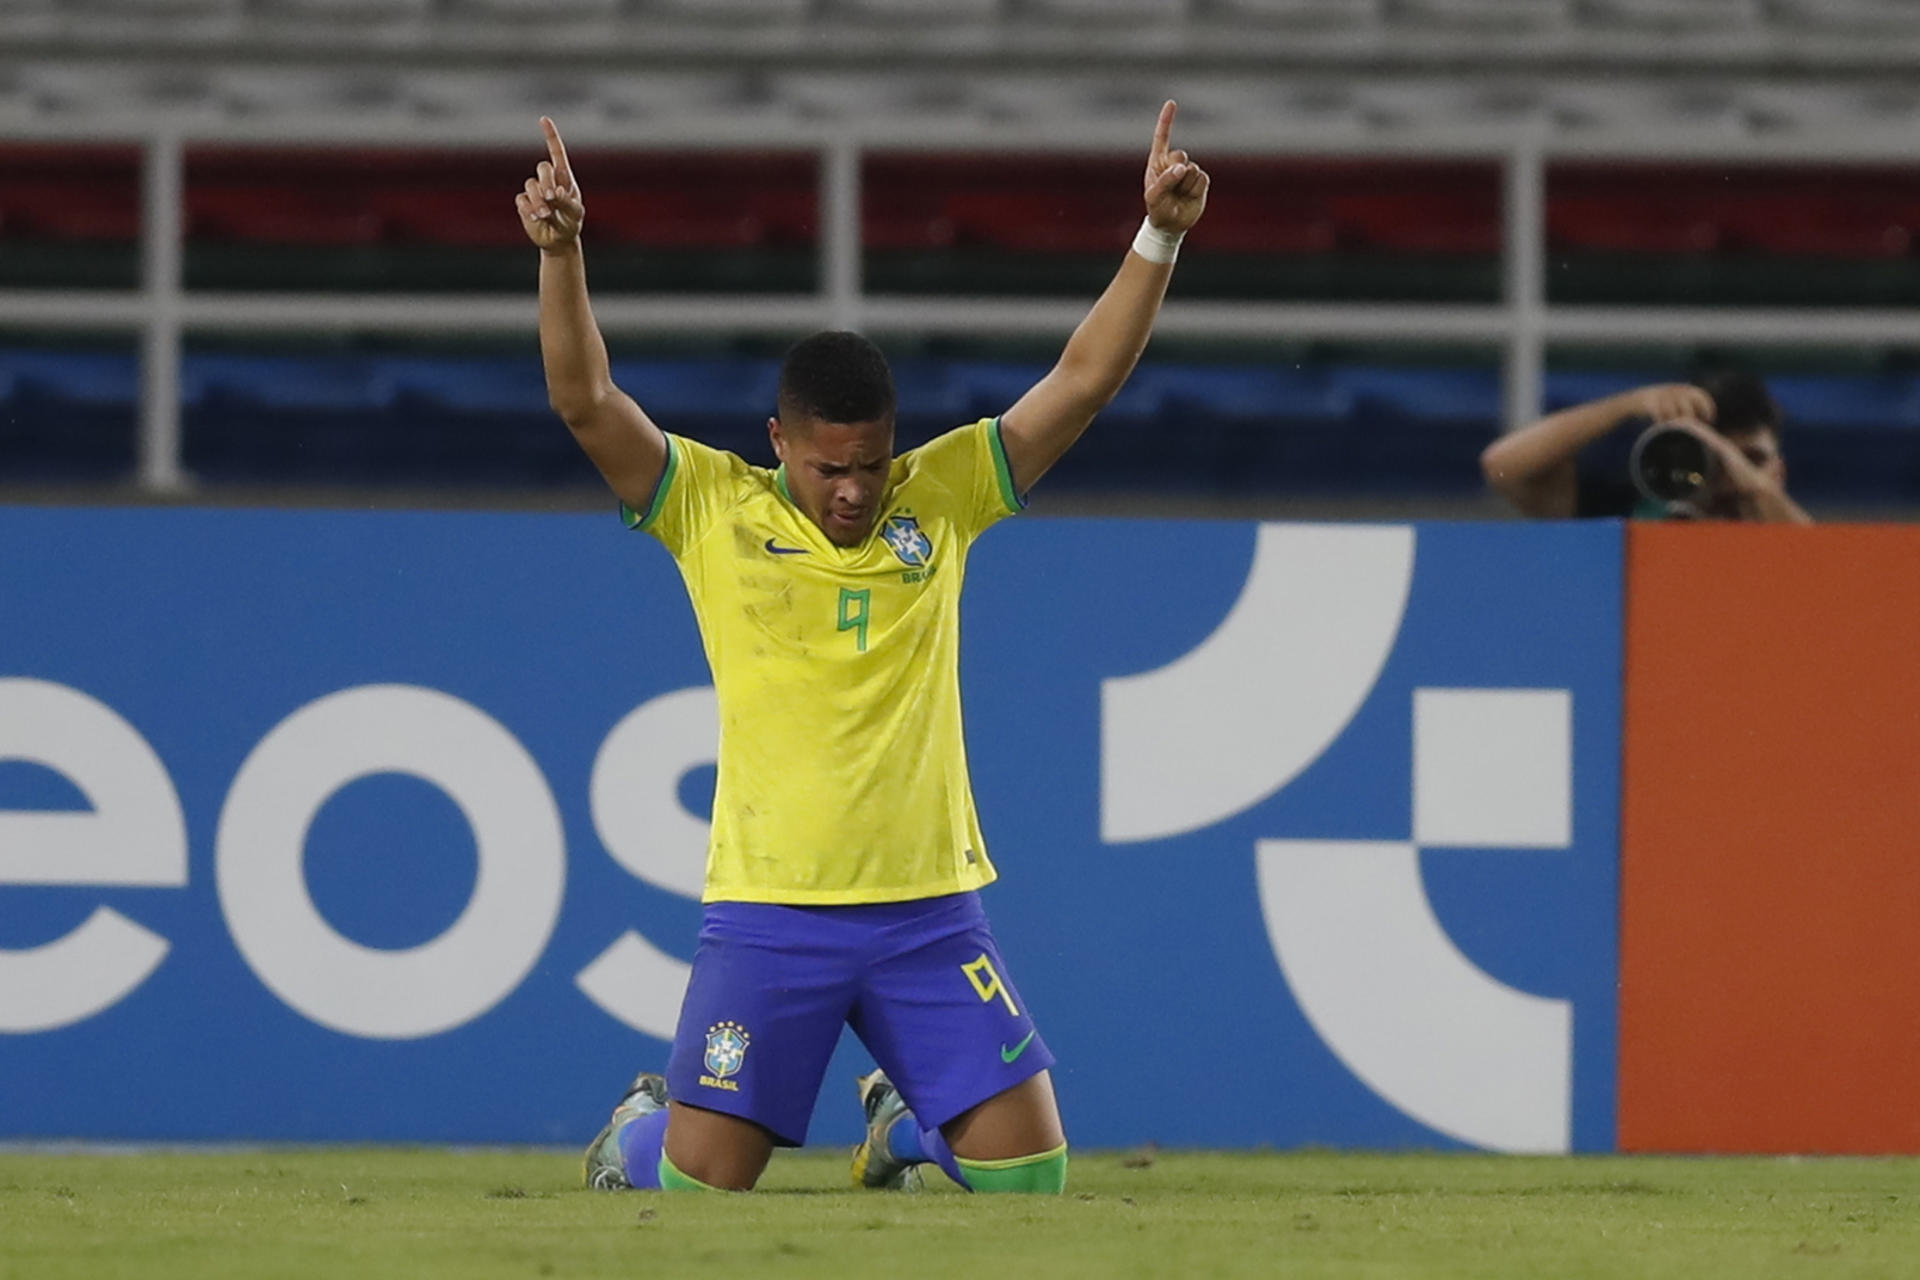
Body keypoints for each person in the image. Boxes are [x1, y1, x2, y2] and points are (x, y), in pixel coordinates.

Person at [517, 105, 1209, 1194]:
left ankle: (895, 1124)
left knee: (1032, 1179)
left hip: (928, 908)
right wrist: (562, 255)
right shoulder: (708, 505)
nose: (850, 491)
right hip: (770, 911)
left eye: (870, 466)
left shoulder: (940, 496)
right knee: (703, 1189)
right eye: (828, 467)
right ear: (778, 440)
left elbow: (1081, 382)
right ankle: (637, 1130)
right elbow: (582, 397)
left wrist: (1156, 238)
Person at [1479, 370, 1813, 523]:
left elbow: (1820, 561)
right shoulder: (1635, 520)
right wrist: (1630, 404)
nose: (1729, 471)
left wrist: (1744, 480)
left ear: (1779, 472)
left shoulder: (1789, 540)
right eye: (1716, 457)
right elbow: (1504, 467)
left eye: (1753, 459)